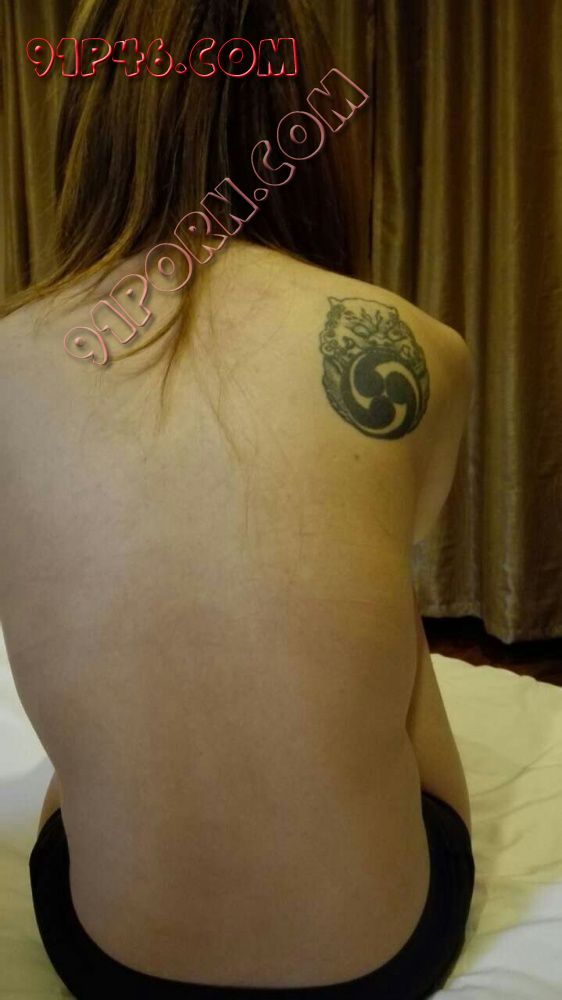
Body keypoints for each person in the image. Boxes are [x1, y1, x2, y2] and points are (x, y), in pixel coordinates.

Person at [0, 1, 475, 996]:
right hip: (384, 957)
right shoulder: (421, 347)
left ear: (94, 118)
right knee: (388, 600)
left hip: (105, 957)